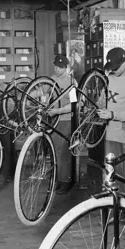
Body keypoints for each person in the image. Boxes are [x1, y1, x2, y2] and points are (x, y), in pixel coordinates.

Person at [96, 47, 125, 203]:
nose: (113, 70)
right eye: (111, 68)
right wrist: (99, 105)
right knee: (111, 175)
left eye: (116, 67)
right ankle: (116, 211)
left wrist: (113, 115)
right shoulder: (109, 77)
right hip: (111, 134)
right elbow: (104, 99)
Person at [45, 55, 77, 195]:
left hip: (65, 120)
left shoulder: (71, 82)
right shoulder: (51, 79)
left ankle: (65, 181)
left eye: (60, 67)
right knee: (54, 150)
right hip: (53, 121)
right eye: (55, 66)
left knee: (63, 151)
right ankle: (57, 179)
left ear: (65, 67)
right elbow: (43, 91)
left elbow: (75, 105)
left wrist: (57, 111)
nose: (57, 69)